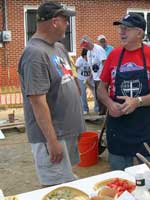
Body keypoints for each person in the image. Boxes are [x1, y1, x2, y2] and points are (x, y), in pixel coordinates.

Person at [18, 1, 85, 186]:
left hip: (67, 132)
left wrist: (77, 124)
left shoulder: (59, 47)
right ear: (54, 22)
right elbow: (38, 102)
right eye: (66, 20)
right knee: (56, 187)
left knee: (67, 180)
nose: (68, 24)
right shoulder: (34, 54)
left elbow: (70, 79)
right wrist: (52, 141)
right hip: (53, 137)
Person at [98, 13, 150, 170]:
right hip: (118, 130)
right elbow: (101, 89)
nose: (121, 32)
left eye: (126, 29)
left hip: (146, 130)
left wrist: (137, 102)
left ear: (139, 33)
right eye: (120, 28)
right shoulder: (113, 55)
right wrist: (110, 104)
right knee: (121, 183)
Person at [80, 35, 107, 115]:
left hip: (101, 78)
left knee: (102, 96)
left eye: (86, 45)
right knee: (98, 97)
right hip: (95, 78)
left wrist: (104, 78)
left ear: (89, 42)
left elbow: (104, 63)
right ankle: (101, 113)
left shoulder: (99, 49)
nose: (85, 47)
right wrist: (89, 77)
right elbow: (91, 67)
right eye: (84, 46)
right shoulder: (88, 52)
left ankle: (104, 114)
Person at [75, 48, 99, 114]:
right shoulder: (79, 60)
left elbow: (93, 70)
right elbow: (75, 69)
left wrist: (89, 77)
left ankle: (97, 109)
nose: (87, 57)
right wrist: (77, 77)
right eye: (86, 56)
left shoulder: (91, 59)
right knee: (82, 94)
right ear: (83, 55)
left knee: (95, 92)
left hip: (90, 79)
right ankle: (85, 109)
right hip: (81, 79)